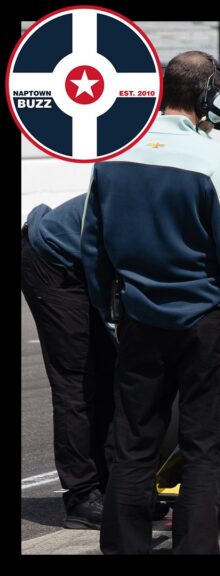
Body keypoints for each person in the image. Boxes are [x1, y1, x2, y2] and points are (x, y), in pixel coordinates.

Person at [82, 51, 220, 554]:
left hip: (139, 323)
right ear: (210, 96)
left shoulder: (113, 153)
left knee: (132, 448)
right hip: (202, 326)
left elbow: (91, 246)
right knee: (205, 450)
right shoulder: (214, 160)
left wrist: (109, 312)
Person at [22, 194, 115, 530]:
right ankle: (82, 497)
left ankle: (113, 486)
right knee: (76, 382)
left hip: (83, 262)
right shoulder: (140, 210)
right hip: (50, 260)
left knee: (110, 372)